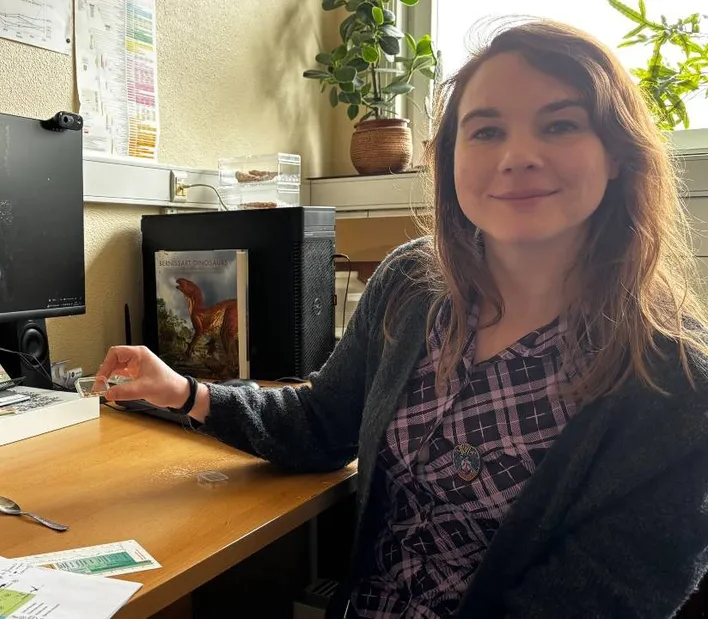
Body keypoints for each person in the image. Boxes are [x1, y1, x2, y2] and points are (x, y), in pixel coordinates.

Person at [96, 18, 708, 619]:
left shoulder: (679, 384)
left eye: (561, 124)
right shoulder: (413, 285)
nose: (519, 155)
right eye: (486, 131)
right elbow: (322, 422)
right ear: (449, 161)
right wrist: (184, 392)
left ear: (619, 156)